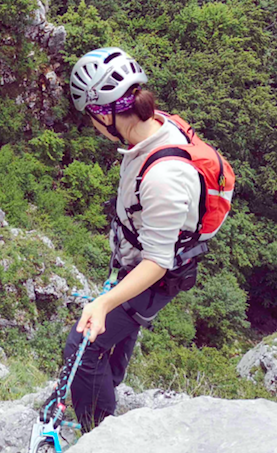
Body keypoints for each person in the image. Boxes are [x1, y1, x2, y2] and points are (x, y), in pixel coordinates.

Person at [48, 47, 233, 431]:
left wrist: (104, 303)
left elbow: (157, 262)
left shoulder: (164, 178)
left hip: (154, 277)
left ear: (105, 114)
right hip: (138, 265)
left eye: (92, 119)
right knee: (113, 339)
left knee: (82, 347)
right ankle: (106, 390)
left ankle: (98, 433)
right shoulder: (157, 125)